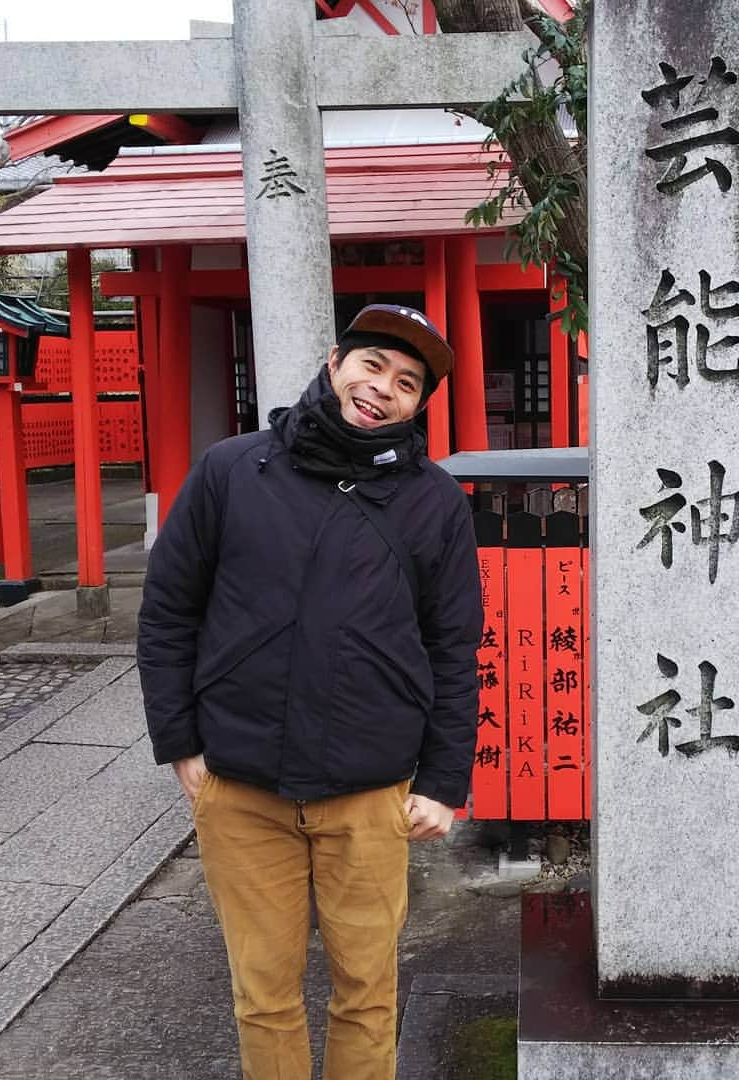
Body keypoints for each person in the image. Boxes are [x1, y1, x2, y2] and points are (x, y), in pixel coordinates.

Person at [138, 304, 483, 1080]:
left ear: (419, 403)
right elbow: (168, 612)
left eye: (406, 383)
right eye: (371, 367)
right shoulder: (232, 470)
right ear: (335, 364)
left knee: (366, 990)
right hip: (242, 785)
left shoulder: (434, 502)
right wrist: (179, 741)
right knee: (263, 992)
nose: (381, 391)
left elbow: (453, 646)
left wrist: (443, 780)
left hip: (370, 791)